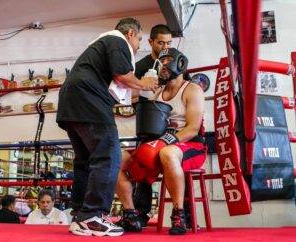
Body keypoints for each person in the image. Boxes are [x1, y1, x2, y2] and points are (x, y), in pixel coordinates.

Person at [56, 17, 158, 237]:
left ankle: (80, 215)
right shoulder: (116, 40)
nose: (139, 46)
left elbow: (119, 88)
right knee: (109, 157)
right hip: (88, 102)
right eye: (140, 39)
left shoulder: (99, 50)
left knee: (86, 161)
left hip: (72, 103)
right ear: (130, 33)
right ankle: (93, 216)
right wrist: (144, 83)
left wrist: (145, 89)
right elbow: (122, 75)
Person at [115, 48, 207, 235]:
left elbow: (193, 128)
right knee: (116, 158)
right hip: (162, 145)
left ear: (180, 63)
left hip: (191, 145)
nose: (162, 65)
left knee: (168, 152)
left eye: (166, 60)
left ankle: (179, 214)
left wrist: (165, 141)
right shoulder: (157, 92)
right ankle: (132, 213)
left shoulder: (192, 90)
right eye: (160, 61)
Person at [121, 24, 173, 229]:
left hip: (171, 124)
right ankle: (140, 214)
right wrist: (143, 89)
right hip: (149, 123)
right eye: (161, 42)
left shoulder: (176, 62)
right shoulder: (140, 65)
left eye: (168, 42)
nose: (165, 46)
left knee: (176, 164)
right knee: (142, 168)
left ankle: (183, 212)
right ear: (151, 42)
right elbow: (128, 93)